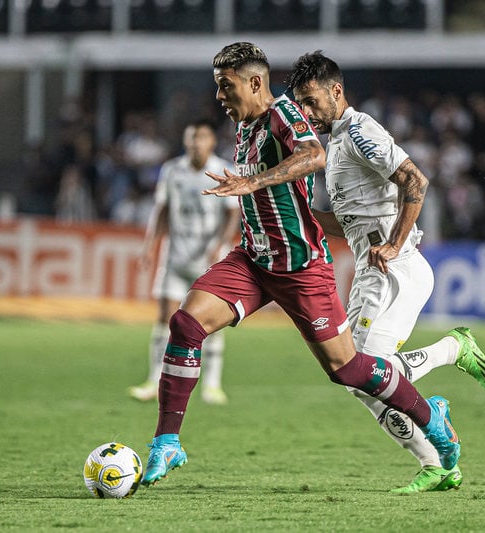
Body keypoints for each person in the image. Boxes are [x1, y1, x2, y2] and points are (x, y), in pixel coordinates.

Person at [141, 42, 460, 488]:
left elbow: (314, 156)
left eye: (225, 87)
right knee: (186, 324)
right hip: (253, 260)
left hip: (301, 267)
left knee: (348, 370)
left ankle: (432, 417)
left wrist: (252, 182)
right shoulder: (246, 128)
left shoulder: (284, 114)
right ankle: (166, 444)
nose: (219, 97)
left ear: (255, 83)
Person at [286, 51, 485, 492]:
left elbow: (415, 181)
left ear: (336, 91)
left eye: (310, 100)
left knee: (358, 370)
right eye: (299, 104)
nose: (306, 112)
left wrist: (394, 243)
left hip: (392, 270)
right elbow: (349, 223)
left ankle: (451, 351)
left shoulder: (361, 131)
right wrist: (300, 215)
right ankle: (439, 464)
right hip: (375, 270)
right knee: (360, 380)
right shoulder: (335, 144)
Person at [129, 120, 239, 405]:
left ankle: (212, 384)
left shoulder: (222, 169)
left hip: (208, 259)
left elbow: (232, 213)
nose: (196, 143)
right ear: (185, 141)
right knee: (165, 317)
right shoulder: (172, 170)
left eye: (201, 137)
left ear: (212, 141)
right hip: (175, 255)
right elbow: (162, 209)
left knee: (211, 321)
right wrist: (150, 245)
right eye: (191, 138)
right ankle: (154, 381)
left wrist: (220, 244)